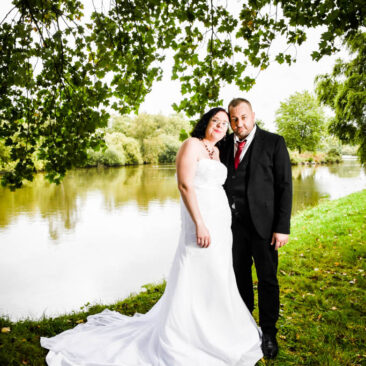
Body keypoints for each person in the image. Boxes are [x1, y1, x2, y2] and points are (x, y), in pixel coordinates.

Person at [40, 107, 263, 366]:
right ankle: (188, 333)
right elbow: (184, 185)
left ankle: (217, 327)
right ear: (206, 122)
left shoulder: (218, 152)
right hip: (199, 221)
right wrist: (199, 223)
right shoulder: (191, 145)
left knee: (218, 272)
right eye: (216, 121)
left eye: (225, 124)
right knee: (196, 270)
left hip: (221, 222)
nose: (220, 126)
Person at [219, 98, 292, 359]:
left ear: (253, 115)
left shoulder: (274, 142)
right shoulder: (224, 144)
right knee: (239, 277)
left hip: (265, 226)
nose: (240, 124)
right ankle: (244, 324)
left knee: (268, 279)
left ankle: (269, 332)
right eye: (234, 119)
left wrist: (282, 227)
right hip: (233, 227)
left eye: (244, 117)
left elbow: (285, 186)